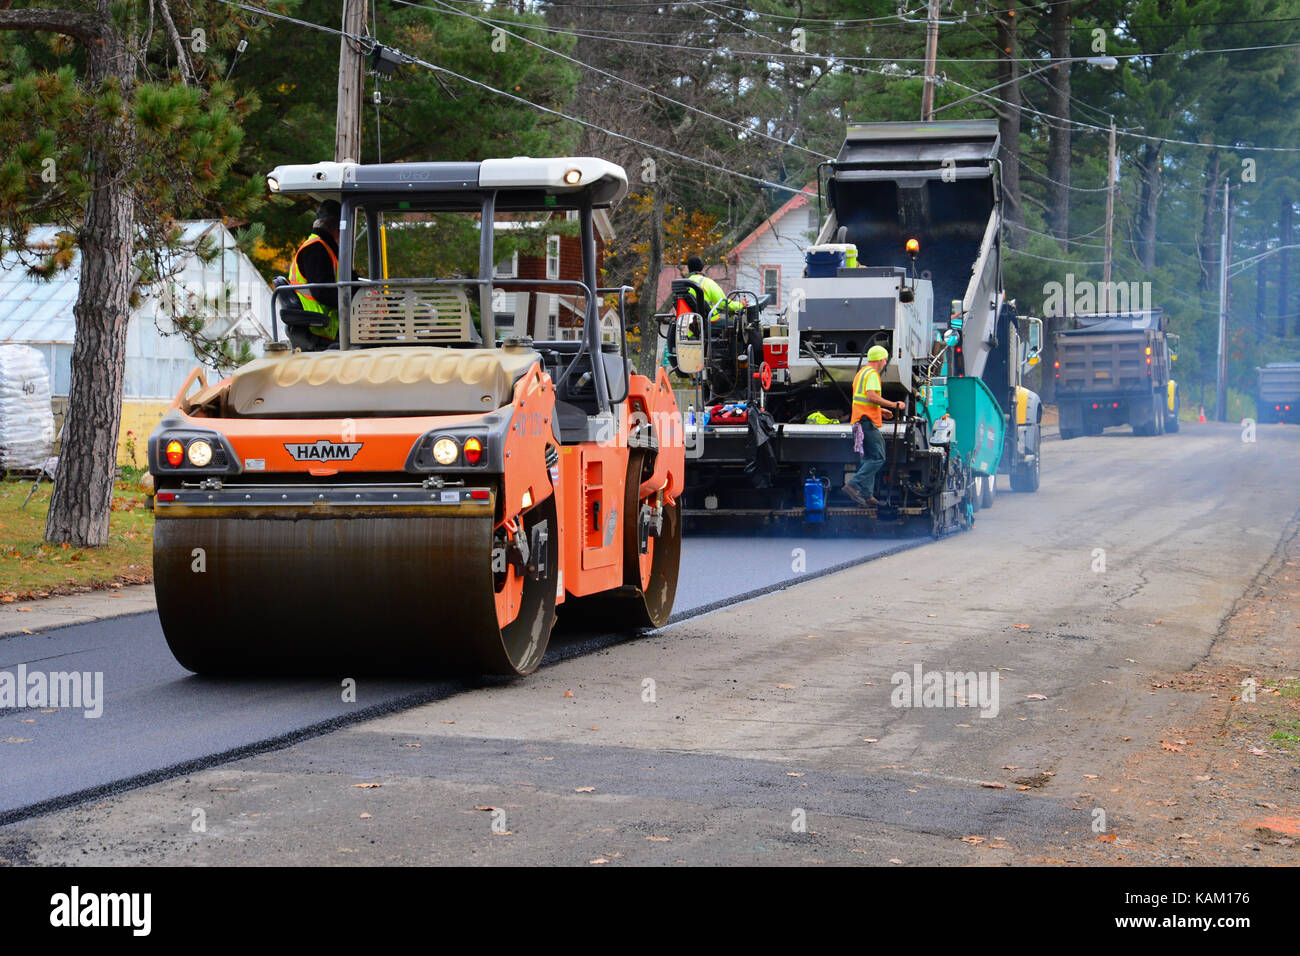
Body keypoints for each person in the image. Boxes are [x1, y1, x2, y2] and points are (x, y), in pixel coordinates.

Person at [844, 345, 905, 507]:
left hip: (860, 420)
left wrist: (880, 410)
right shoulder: (872, 375)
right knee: (878, 457)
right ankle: (853, 485)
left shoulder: (861, 373)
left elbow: (862, 399)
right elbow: (871, 396)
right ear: (879, 359)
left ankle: (868, 495)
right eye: (885, 359)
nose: (885, 362)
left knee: (868, 458)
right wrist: (894, 404)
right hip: (867, 422)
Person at [286, 200, 345, 351]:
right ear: (335, 224)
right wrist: (350, 303)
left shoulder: (326, 247)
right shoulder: (316, 250)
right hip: (321, 325)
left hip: (329, 322)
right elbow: (323, 292)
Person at [685, 255, 742, 323]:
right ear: (701, 267)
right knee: (735, 324)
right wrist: (740, 304)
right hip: (709, 322)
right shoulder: (707, 283)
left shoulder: (684, 284)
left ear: (688, 269)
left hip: (689, 325)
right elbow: (723, 303)